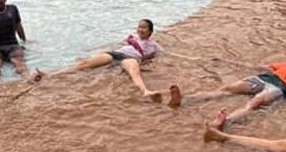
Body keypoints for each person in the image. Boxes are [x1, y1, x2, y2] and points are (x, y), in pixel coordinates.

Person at [184, 42, 286, 126]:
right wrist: (226, 61)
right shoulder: (283, 64)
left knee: (254, 103)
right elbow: (257, 67)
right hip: (265, 78)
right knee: (227, 89)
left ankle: (224, 121)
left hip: (280, 87)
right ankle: (187, 99)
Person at [36, 19, 181, 107]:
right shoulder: (131, 39)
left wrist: (188, 59)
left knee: (134, 72)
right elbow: (115, 45)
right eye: (139, 26)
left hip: (130, 58)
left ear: (150, 31)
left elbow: (166, 55)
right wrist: (93, 49)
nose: (141, 29)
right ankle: (52, 75)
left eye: (144, 27)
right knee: (85, 63)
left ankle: (145, 91)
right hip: (115, 53)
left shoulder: (153, 45)